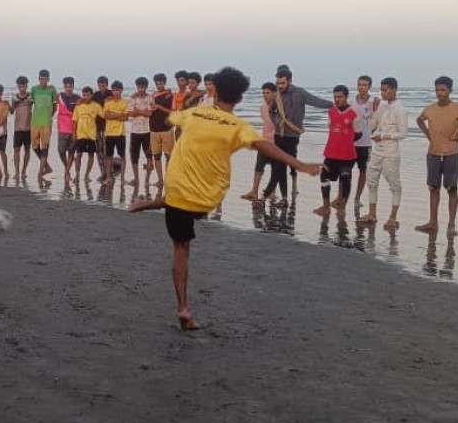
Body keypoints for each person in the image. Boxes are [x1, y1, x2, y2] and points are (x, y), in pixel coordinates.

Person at [128, 67, 321, 330]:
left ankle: (183, 306)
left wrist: (187, 105)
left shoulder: (194, 113)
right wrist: (297, 164)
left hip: (177, 190)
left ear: (214, 90)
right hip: (207, 197)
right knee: (196, 208)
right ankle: (156, 202)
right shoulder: (238, 126)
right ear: (241, 98)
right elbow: (265, 146)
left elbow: (173, 118)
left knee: (181, 246)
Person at [414, 76, 458, 236]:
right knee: (433, 188)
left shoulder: (457, 108)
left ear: (450, 91)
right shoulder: (430, 109)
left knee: (452, 188)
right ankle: (432, 222)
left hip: (451, 153)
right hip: (433, 153)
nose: (440, 93)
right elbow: (419, 120)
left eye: (443, 90)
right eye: (437, 90)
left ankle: (451, 224)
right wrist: (427, 134)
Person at [264, 65, 331, 205]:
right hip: (278, 135)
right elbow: (272, 111)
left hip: (292, 136)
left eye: (282, 83)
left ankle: (267, 197)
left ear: (290, 80)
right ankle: (282, 198)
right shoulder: (277, 95)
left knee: (286, 165)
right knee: (279, 167)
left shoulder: (299, 93)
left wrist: (336, 104)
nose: (280, 86)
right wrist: (277, 122)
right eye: (278, 83)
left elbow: (317, 101)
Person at [358, 77, 409, 230]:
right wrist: (374, 111)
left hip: (390, 152)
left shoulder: (400, 109)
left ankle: (393, 217)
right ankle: (372, 214)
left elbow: (403, 133)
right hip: (377, 151)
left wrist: (385, 136)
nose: (383, 93)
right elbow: (373, 126)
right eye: (381, 90)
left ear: (394, 89)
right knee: (371, 181)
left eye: (385, 90)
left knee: (394, 185)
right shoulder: (383, 107)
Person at [315, 85, 360, 216]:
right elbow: (331, 127)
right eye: (335, 97)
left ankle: (342, 206)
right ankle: (325, 206)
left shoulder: (353, 113)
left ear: (346, 97)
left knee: (345, 177)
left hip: (347, 154)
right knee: (324, 176)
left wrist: (345, 140)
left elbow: (358, 133)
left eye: (340, 97)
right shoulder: (331, 112)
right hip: (331, 152)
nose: (337, 99)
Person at [241, 82, 277, 201]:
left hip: (276, 143)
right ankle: (254, 191)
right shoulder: (262, 107)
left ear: (274, 93)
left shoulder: (279, 108)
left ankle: (272, 192)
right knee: (258, 168)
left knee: (275, 168)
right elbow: (266, 125)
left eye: (268, 93)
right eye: (263, 93)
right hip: (264, 141)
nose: (265, 95)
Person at [350, 75, 380, 210]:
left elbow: (380, 117)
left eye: (364, 85)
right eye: (359, 84)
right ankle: (341, 197)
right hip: (351, 142)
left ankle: (357, 198)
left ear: (369, 87)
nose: (361, 87)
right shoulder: (351, 102)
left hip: (366, 143)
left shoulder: (374, 102)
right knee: (345, 171)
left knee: (363, 170)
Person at [30, 69, 58, 179]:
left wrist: (49, 116)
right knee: (35, 146)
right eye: (41, 79)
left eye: (45, 79)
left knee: (45, 146)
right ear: (38, 79)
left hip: (46, 122)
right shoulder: (34, 89)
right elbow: (30, 103)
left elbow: (55, 107)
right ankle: (47, 167)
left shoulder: (52, 90)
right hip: (35, 121)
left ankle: (40, 172)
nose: (43, 81)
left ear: (48, 79)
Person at [148, 73, 175, 186]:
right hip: (153, 129)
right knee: (157, 156)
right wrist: (151, 110)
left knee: (168, 156)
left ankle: (168, 179)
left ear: (164, 83)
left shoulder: (170, 95)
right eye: (157, 83)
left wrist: (159, 107)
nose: (159, 85)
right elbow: (149, 111)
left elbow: (173, 112)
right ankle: (160, 180)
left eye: (161, 83)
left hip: (166, 129)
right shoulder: (152, 96)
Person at [126, 76, 153, 187]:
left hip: (147, 130)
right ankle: (136, 179)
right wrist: (143, 112)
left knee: (149, 155)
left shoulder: (150, 98)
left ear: (146, 87)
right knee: (134, 156)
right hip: (135, 131)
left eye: (142, 87)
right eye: (139, 87)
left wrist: (138, 111)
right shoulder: (133, 98)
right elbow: (131, 114)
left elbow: (150, 114)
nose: (140, 89)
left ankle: (147, 180)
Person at [71, 87, 100, 183]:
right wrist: (74, 133)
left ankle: (87, 175)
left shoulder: (96, 106)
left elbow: (103, 115)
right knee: (78, 155)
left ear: (92, 95)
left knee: (91, 155)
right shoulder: (78, 106)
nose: (86, 97)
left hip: (91, 135)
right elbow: (75, 121)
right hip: (80, 134)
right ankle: (77, 175)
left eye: (88, 95)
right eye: (84, 95)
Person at [102, 81, 129, 183]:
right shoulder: (108, 102)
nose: (116, 92)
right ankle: (108, 177)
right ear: (112, 91)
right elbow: (106, 116)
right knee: (109, 156)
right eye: (114, 90)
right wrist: (119, 114)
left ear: (121, 90)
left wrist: (112, 114)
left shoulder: (125, 102)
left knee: (122, 156)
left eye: (117, 90)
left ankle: (122, 178)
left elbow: (126, 117)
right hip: (109, 133)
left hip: (120, 133)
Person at [56, 76, 80, 183]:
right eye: (66, 86)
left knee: (71, 152)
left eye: (70, 86)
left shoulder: (78, 99)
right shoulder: (59, 96)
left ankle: (66, 172)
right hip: (62, 129)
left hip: (74, 129)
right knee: (61, 151)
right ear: (64, 86)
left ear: (73, 86)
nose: (68, 88)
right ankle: (67, 169)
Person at [8, 75, 32, 179]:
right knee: (16, 150)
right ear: (17, 86)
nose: (22, 87)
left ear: (27, 85)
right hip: (18, 128)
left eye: (24, 85)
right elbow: (12, 111)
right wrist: (7, 105)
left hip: (28, 128)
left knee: (27, 150)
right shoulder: (14, 97)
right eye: (20, 85)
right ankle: (17, 172)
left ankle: (24, 171)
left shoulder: (31, 96)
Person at [92, 76, 111, 177]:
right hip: (97, 127)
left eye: (103, 85)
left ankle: (108, 172)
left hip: (108, 127)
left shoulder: (111, 94)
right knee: (98, 151)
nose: (101, 87)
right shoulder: (95, 95)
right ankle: (103, 172)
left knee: (106, 151)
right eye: (99, 85)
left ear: (107, 85)